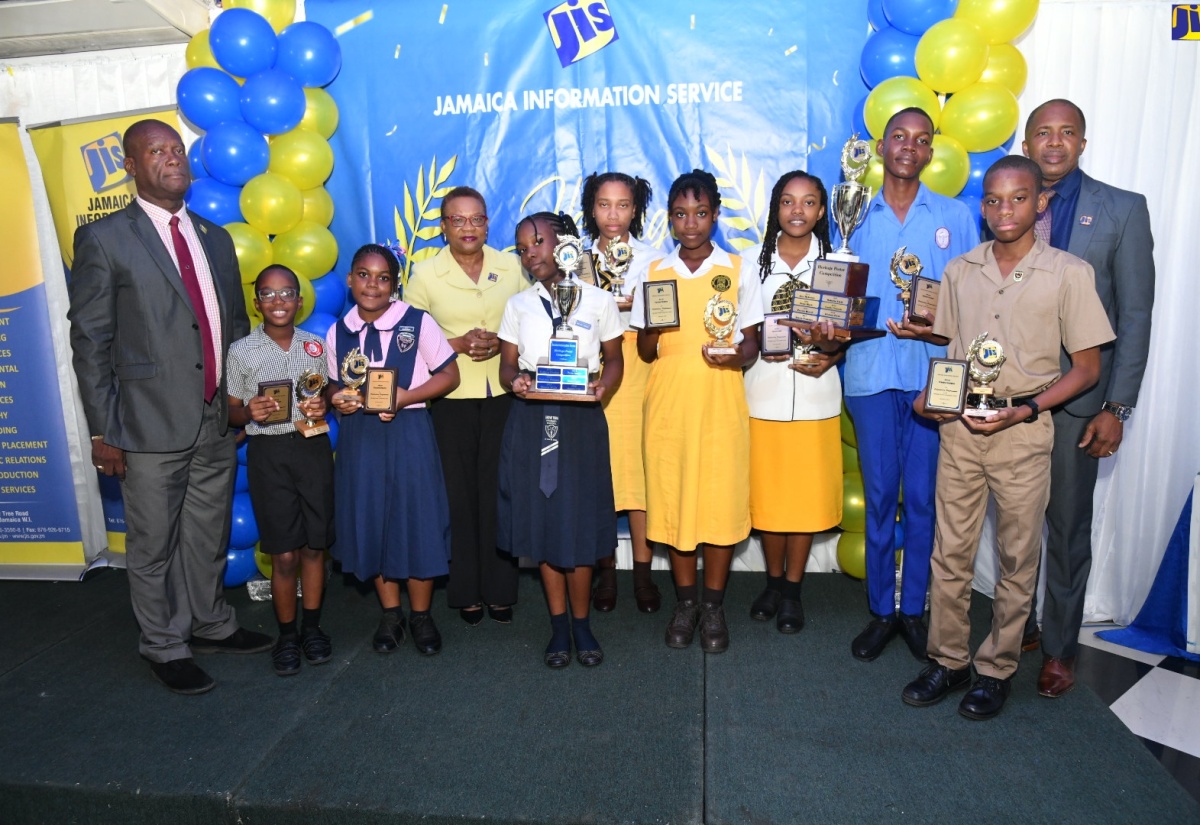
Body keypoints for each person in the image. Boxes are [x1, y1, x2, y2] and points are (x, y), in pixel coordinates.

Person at [901, 155, 1114, 719]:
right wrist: (934, 400)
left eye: (1018, 198)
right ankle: (947, 660)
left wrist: (1026, 408)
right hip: (962, 433)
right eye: (992, 200)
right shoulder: (960, 270)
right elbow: (948, 356)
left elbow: (1087, 368)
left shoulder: (1069, 273)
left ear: (1041, 202)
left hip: (1023, 434)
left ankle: (996, 669)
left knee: (1019, 558)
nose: (1004, 210)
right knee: (951, 553)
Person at [67, 119, 271, 696]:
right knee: (153, 544)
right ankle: (163, 643)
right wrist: (104, 430)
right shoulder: (106, 238)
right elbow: (91, 339)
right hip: (145, 424)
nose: (172, 158)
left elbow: (232, 326)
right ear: (131, 166)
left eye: (177, 149)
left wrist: (232, 406)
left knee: (205, 533)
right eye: (156, 151)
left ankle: (208, 623)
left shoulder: (215, 237)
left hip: (212, 419)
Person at [1018, 100, 1156, 699]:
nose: (1054, 143)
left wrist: (1116, 408)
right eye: (1042, 133)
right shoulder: (1002, 202)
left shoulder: (1122, 209)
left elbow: (1136, 314)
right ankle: (1016, 624)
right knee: (1013, 524)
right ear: (1026, 144)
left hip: (1080, 404)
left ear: (1082, 141)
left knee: (1068, 529)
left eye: (1065, 133)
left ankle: (1059, 648)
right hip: (1009, 400)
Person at [839, 108, 978, 664]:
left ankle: (915, 611)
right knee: (878, 498)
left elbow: (972, 302)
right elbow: (840, 296)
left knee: (922, 500)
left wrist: (939, 325)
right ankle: (881, 611)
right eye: (899, 136)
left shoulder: (955, 217)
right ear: (880, 146)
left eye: (921, 140)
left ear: (930, 153)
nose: (908, 147)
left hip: (931, 380)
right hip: (871, 374)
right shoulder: (852, 215)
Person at [630, 169, 764, 653]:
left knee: (720, 502)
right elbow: (646, 351)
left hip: (721, 401)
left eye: (701, 213)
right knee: (675, 500)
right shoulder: (654, 272)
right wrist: (651, 326)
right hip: (668, 403)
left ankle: (713, 606)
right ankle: (685, 603)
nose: (691, 223)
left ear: (715, 215)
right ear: (669, 219)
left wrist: (737, 355)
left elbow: (751, 344)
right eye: (682, 214)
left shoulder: (738, 267)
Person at [497, 212, 624, 667]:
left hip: (582, 418)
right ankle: (557, 626)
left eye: (539, 242)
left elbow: (614, 360)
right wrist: (516, 383)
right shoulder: (518, 305)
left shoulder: (598, 300)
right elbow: (507, 366)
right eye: (523, 247)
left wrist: (604, 387)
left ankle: (583, 624)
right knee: (545, 520)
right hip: (532, 417)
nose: (532, 252)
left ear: (563, 244)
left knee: (580, 518)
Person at [326, 244, 460, 657]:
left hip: (409, 431)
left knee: (415, 520)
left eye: (383, 277)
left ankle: (421, 615)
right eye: (363, 275)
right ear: (350, 281)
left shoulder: (417, 323)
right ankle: (390, 612)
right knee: (372, 519)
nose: (372, 284)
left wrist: (407, 397)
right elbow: (334, 383)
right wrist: (338, 399)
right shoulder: (339, 331)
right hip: (361, 439)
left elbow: (450, 376)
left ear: (394, 284)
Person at [405, 187, 527, 627]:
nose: (468, 228)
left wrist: (503, 342)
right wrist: (455, 344)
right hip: (449, 398)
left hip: (503, 396)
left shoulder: (511, 265)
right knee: (457, 498)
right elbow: (408, 338)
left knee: (499, 495)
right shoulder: (424, 275)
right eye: (458, 220)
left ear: (488, 223)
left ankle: (499, 590)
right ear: (443, 226)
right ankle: (466, 591)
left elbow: (531, 318)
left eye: (476, 219)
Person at [743, 171, 844, 633]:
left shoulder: (838, 262)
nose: (797, 211)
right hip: (762, 393)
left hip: (815, 394)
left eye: (808, 202)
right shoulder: (750, 264)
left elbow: (849, 330)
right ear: (775, 209)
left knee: (802, 499)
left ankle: (793, 590)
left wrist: (832, 353)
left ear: (822, 211)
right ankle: (771, 580)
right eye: (788, 201)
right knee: (768, 497)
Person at [226, 264, 335, 677]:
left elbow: (322, 394)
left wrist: (322, 403)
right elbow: (232, 410)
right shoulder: (241, 351)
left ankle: (312, 629)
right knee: (284, 552)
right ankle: (287, 635)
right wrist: (245, 411)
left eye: (286, 293)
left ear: (300, 301)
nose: (278, 301)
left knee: (312, 546)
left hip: (312, 449)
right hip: (267, 453)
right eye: (268, 294)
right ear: (256, 304)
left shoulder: (315, 345)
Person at [579, 171, 664, 613]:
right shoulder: (575, 260)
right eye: (605, 204)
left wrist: (636, 309)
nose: (614, 214)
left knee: (641, 475)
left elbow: (665, 319)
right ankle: (606, 572)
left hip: (643, 369)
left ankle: (645, 576)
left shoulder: (654, 260)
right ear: (592, 209)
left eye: (623, 205)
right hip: (596, 372)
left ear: (636, 209)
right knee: (601, 475)